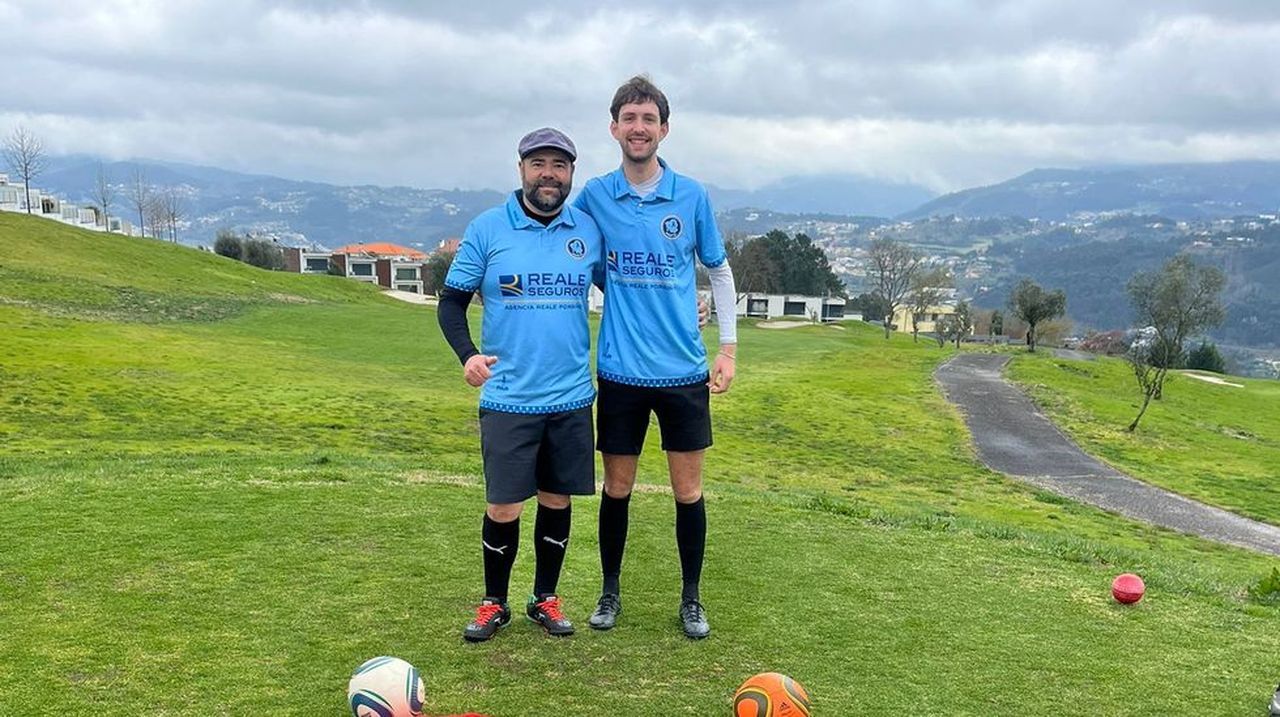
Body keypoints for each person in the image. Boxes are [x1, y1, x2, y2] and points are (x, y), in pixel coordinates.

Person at [573, 75, 738, 639]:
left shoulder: (691, 195)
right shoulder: (594, 195)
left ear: (663, 129)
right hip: (620, 371)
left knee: (687, 492)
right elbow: (576, 255)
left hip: (683, 373)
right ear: (614, 127)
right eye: (629, 118)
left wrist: (728, 347)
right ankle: (609, 592)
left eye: (649, 119)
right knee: (615, 489)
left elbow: (718, 268)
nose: (638, 128)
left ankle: (691, 599)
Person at [437, 127, 603, 642]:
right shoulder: (487, 229)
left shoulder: (587, 231)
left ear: (571, 173)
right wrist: (467, 356)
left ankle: (545, 599)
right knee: (503, 505)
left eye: (559, 165)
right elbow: (450, 304)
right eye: (539, 164)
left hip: (572, 397)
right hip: (509, 398)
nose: (548, 174)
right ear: (521, 170)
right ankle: (493, 603)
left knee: (557, 500)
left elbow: (624, 293)